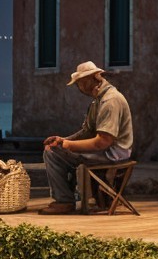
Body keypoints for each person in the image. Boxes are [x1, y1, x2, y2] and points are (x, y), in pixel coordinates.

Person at [40, 61, 133, 214]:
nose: (79, 87)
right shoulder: (98, 100)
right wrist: (63, 140)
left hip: (113, 153)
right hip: (107, 150)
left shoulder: (110, 101)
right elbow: (87, 131)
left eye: (80, 83)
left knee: (52, 154)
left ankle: (64, 201)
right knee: (55, 149)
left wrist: (67, 145)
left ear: (93, 79)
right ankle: (67, 197)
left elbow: (103, 142)